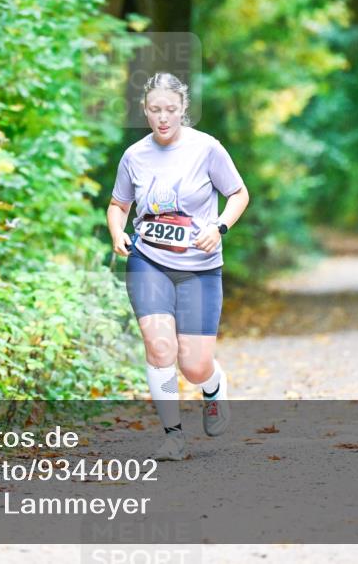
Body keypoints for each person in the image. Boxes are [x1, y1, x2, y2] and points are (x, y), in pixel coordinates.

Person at [106, 72, 250, 461]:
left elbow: (238, 193)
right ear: (145, 111)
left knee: (194, 364)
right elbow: (119, 204)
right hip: (148, 260)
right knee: (159, 346)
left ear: (184, 109)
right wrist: (117, 232)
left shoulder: (207, 149)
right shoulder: (134, 155)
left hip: (199, 266)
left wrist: (220, 227)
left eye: (171, 109)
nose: (163, 117)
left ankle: (214, 387)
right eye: (155, 110)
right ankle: (173, 435)